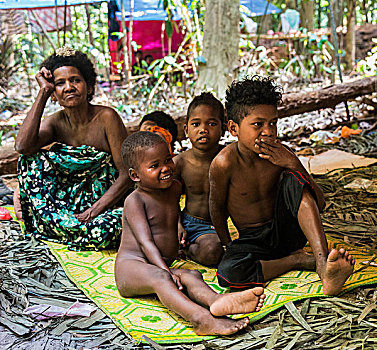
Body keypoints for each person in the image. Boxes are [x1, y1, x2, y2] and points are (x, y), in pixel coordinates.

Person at [209, 76, 355, 296]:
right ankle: (295, 260)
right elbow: (216, 208)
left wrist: (294, 164)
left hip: (288, 233)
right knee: (228, 273)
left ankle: (323, 264)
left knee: (294, 179)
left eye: (273, 123)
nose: (268, 131)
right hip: (253, 241)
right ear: (233, 128)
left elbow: (321, 203)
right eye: (258, 124)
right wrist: (228, 245)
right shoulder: (224, 163)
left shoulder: (281, 154)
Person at [114, 131, 266, 336]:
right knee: (162, 278)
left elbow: (171, 212)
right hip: (131, 267)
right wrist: (166, 271)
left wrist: (178, 226)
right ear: (135, 175)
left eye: (168, 159)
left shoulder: (174, 187)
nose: (166, 168)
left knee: (191, 275)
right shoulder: (135, 201)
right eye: (154, 166)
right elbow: (145, 243)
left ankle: (217, 302)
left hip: (158, 264)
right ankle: (200, 320)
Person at [15, 46, 132, 250]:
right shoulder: (56, 123)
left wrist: (95, 210)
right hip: (69, 206)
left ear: (89, 87)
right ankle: (68, 225)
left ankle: (64, 229)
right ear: (54, 93)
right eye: (60, 83)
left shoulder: (107, 118)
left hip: (106, 204)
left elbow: (126, 174)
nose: (69, 87)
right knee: (29, 161)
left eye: (75, 80)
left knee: (110, 227)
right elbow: (23, 146)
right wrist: (42, 92)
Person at [173, 92, 224, 266]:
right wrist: (177, 224)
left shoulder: (228, 158)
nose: (203, 129)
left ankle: (188, 248)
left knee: (214, 251)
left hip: (216, 227)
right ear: (186, 130)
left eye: (211, 123)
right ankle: (186, 248)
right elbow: (167, 199)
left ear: (222, 129)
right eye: (196, 124)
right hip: (189, 222)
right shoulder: (180, 162)